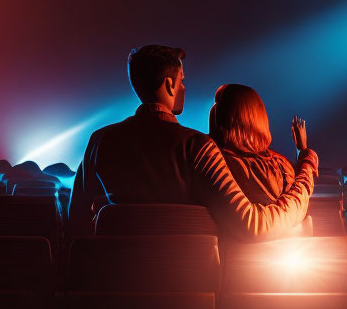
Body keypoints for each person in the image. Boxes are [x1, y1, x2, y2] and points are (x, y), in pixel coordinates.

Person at [67, 44, 318, 241]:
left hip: (115, 288)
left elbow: (76, 222)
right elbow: (252, 225)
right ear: (169, 84)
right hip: (189, 286)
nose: (184, 87)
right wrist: (302, 186)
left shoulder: (100, 141)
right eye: (182, 81)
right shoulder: (198, 147)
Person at [208, 83, 305, 206]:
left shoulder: (210, 160)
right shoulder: (281, 167)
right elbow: (297, 202)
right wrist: (303, 152)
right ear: (259, 116)